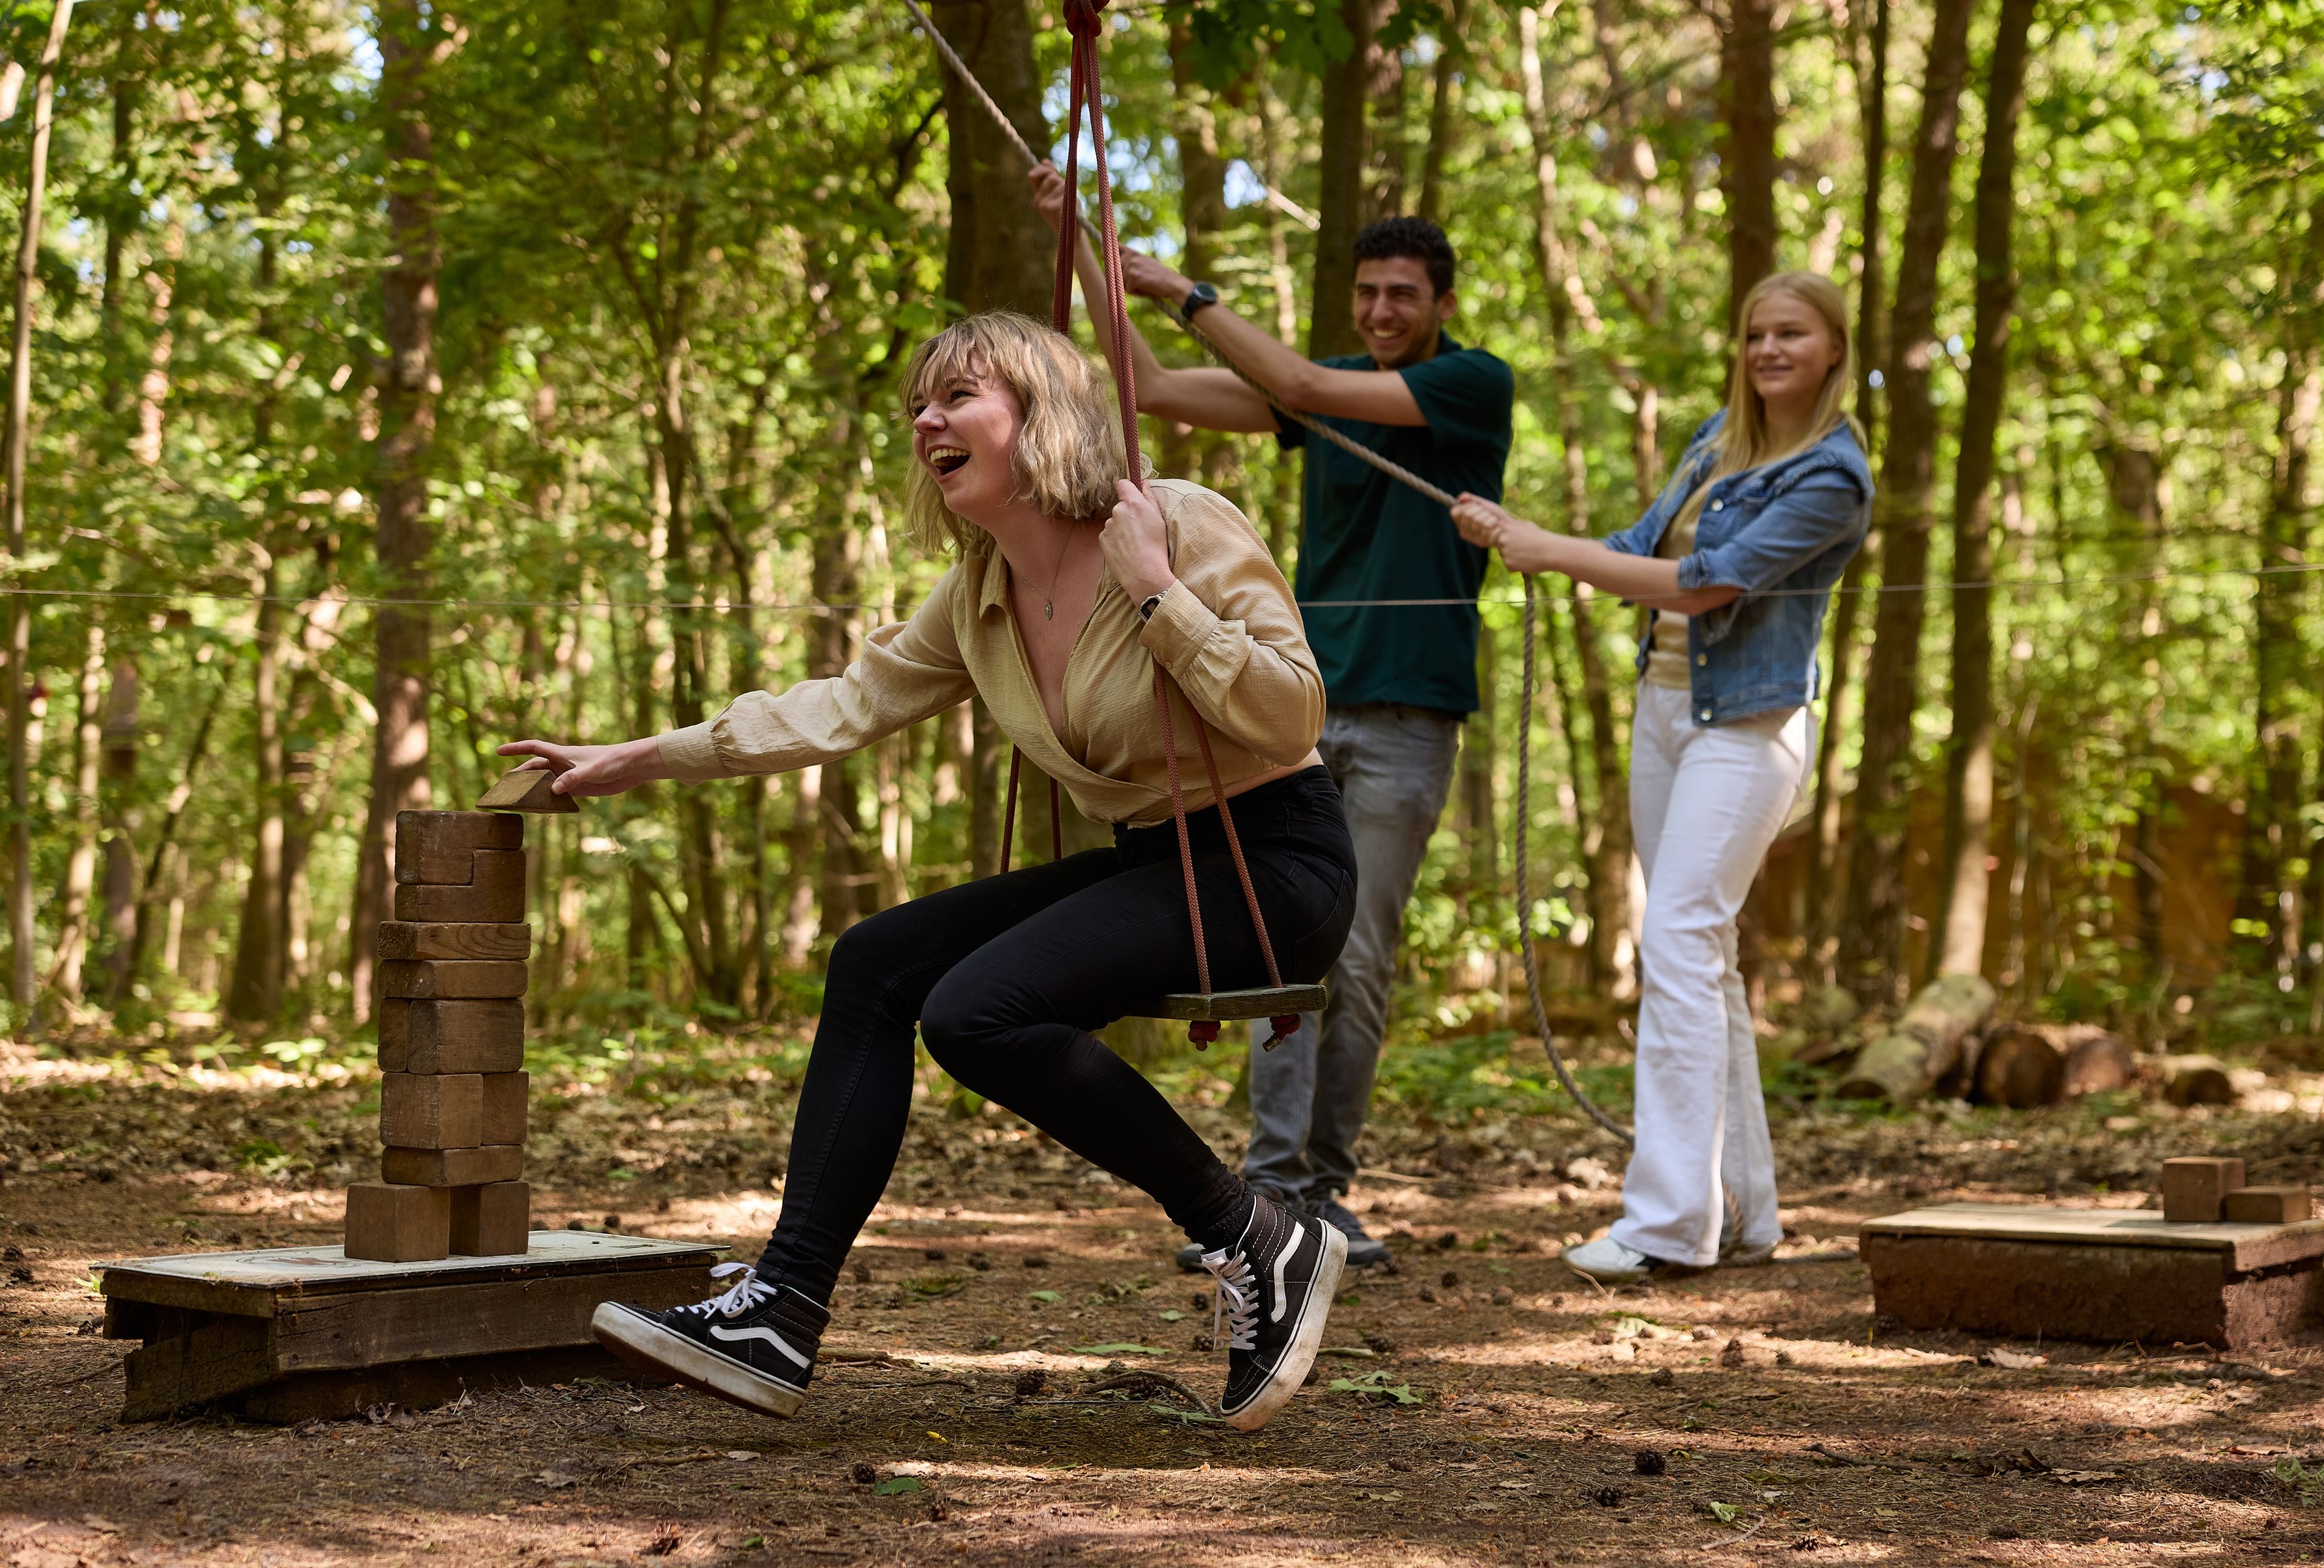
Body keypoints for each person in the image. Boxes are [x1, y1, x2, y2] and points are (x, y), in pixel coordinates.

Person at [497, 313, 1358, 1429]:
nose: (925, 420)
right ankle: (782, 1307)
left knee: (973, 1011)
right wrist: (637, 758)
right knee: (876, 960)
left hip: (1272, 863)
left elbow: (1295, 714)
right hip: (1155, 861)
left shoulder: (1175, 519)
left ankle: (1252, 1232)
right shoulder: (980, 590)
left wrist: (1157, 590)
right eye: (918, 404)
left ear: (1040, 414)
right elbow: (840, 706)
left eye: (957, 396)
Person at [1031, 167, 1513, 1271]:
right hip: (1290, 711)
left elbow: (1292, 377)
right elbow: (1153, 385)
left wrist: (1182, 288)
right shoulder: (1325, 392)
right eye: (1369, 293)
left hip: (1409, 717)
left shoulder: (1471, 383)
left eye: (1403, 294)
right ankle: (1272, 1192)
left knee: (1359, 955)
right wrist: (1087, 244)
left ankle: (1321, 1190)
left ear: (1442, 304)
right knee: (1279, 936)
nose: (1382, 310)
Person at [1451, 272, 1873, 1283]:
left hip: (1751, 726)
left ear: (1832, 348)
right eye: (1757, 332)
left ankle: (1669, 1224)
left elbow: (1707, 584)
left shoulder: (1834, 474)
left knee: (1677, 937)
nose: (1769, 349)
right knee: (1705, 956)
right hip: (1665, 711)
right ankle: (1746, 1211)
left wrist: (1553, 553)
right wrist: (1520, 535)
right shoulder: (1718, 440)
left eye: (1792, 333)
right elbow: (1640, 548)